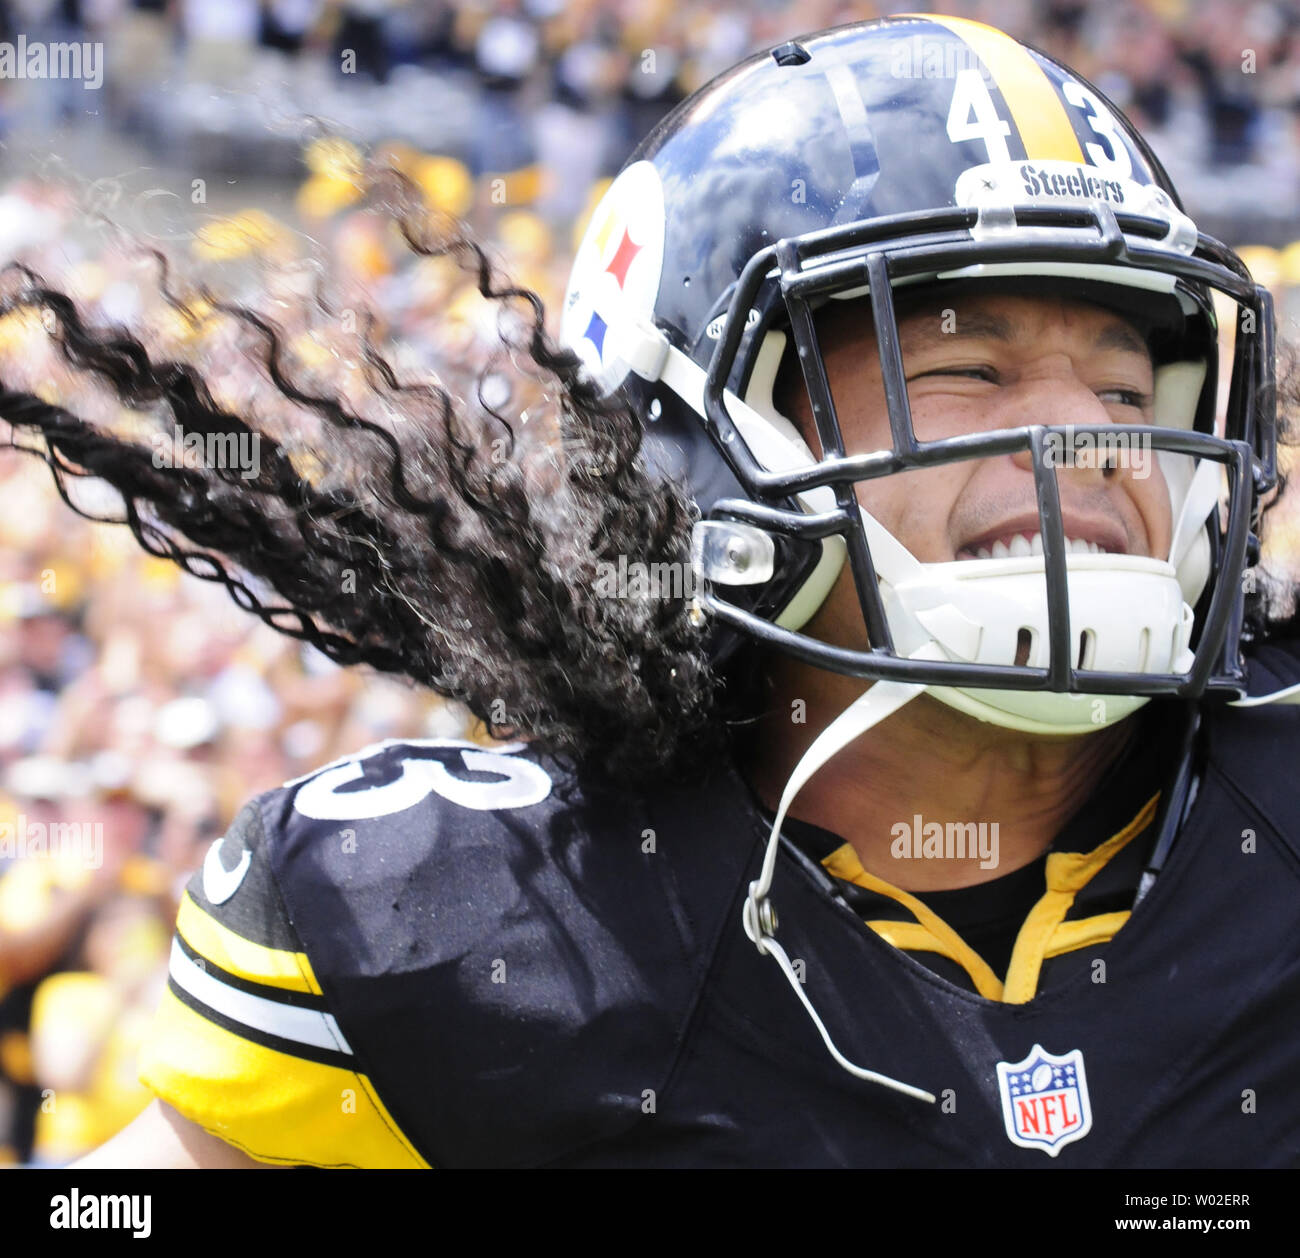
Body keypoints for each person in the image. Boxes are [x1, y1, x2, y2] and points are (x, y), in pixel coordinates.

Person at [7, 15, 1299, 1167]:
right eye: (966, 368)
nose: (1087, 437)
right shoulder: (483, 921)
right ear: (703, 436)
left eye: (1129, 387)